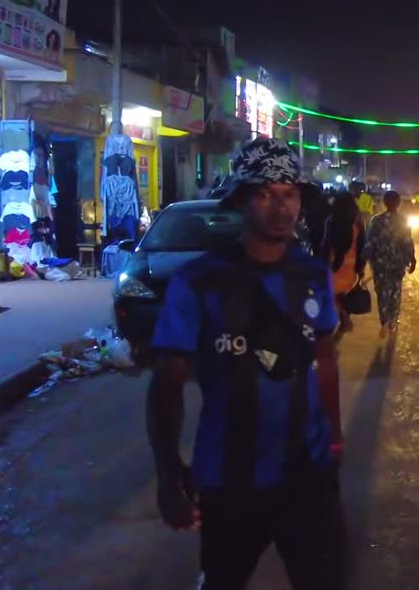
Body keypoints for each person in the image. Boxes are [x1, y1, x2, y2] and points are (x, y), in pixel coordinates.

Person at [145, 137, 345, 588]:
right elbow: (167, 382)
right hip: (228, 482)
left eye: (289, 193)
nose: (281, 207)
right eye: (264, 193)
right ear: (240, 199)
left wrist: (334, 437)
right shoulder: (198, 282)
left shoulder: (313, 275)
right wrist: (167, 473)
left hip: (308, 477)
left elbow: (326, 358)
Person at [366, 191, 417, 339]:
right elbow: (408, 242)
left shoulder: (376, 221)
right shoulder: (403, 221)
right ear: (398, 203)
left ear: (384, 203)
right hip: (397, 263)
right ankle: (393, 322)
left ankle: (384, 322)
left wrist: (363, 261)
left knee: (382, 293)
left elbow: (370, 243)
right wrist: (412, 260)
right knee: (395, 292)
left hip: (379, 264)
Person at [327, 191, 367, 339]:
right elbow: (363, 244)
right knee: (345, 293)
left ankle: (343, 316)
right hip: (351, 266)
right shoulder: (358, 220)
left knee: (335, 294)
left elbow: (326, 243)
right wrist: (361, 265)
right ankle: (345, 316)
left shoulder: (332, 220)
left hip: (334, 264)